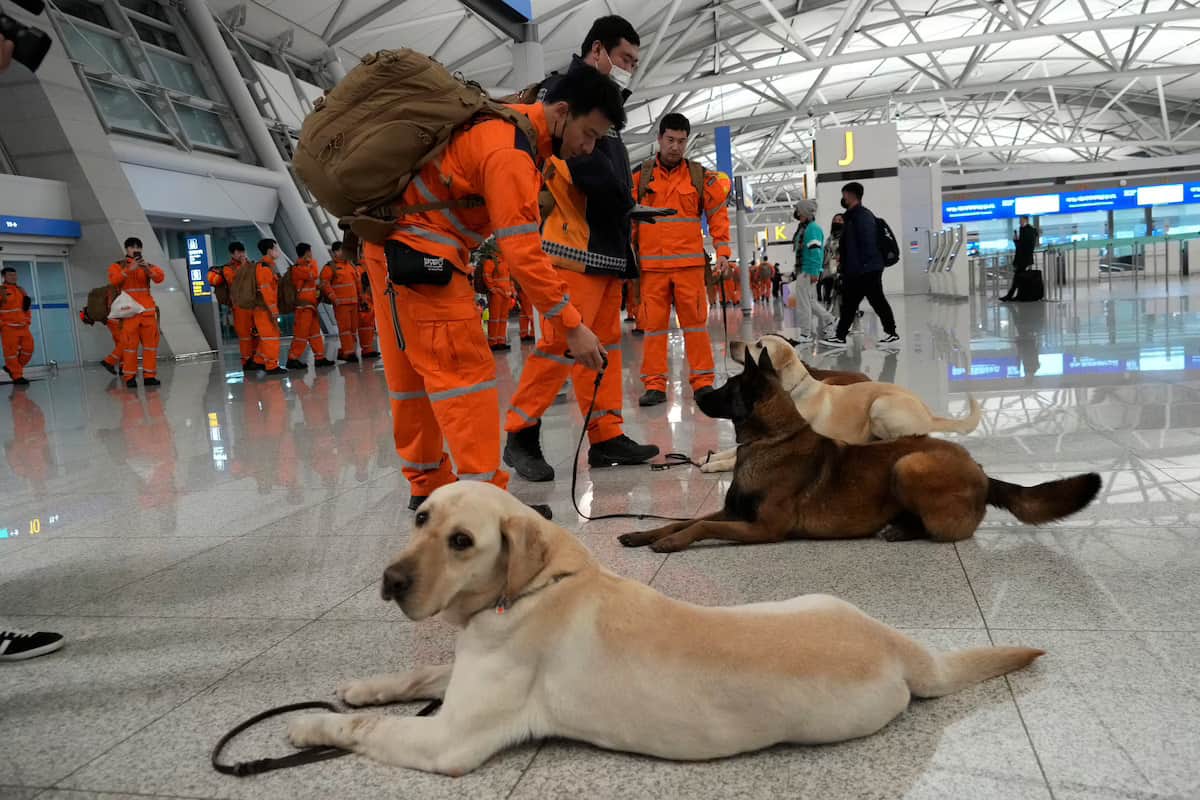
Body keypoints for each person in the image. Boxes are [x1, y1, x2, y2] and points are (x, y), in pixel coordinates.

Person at [358, 65, 618, 510]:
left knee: (412, 378)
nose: (588, 148)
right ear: (561, 112)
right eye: (589, 134)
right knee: (465, 375)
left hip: (388, 251)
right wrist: (571, 324)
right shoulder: (510, 151)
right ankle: (487, 504)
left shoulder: (503, 124)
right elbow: (523, 253)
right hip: (424, 256)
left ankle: (427, 484)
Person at [503, 15, 659, 481]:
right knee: (559, 345)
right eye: (624, 58)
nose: (629, 67)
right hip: (574, 245)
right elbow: (580, 165)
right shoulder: (565, 94)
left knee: (604, 346)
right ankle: (520, 433)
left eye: (634, 61)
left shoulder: (606, 105)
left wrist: (625, 204)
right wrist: (623, 197)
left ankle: (606, 435)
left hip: (606, 246)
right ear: (597, 51)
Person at [632, 112, 732, 407]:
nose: (675, 147)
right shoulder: (640, 178)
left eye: (681, 141)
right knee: (654, 329)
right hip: (653, 269)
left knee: (696, 327)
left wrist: (723, 252)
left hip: (689, 268)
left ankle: (703, 383)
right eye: (670, 140)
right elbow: (629, 222)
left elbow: (718, 216)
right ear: (659, 138)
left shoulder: (701, 177)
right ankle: (654, 386)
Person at [821, 182, 899, 348]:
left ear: (849, 195)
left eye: (844, 195)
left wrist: (860, 268)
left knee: (876, 301)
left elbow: (867, 244)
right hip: (859, 269)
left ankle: (891, 333)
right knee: (850, 304)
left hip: (865, 269)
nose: (843, 198)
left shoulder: (862, 216)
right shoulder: (852, 216)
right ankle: (841, 336)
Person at [108, 237, 165, 388]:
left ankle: (149, 376)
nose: (135, 250)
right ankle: (129, 377)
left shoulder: (148, 266)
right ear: (126, 249)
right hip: (129, 313)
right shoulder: (118, 266)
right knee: (130, 347)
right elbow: (114, 281)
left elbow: (160, 278)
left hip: (147, 312)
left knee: (150, 347)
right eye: (132, 247)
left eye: (138, 247)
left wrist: (147, 269)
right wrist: (128, 270)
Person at [207, 242, 261, 371]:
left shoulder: (252, 265)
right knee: (245, 335)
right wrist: (243, 266)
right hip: (240, 306)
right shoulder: (228, 268)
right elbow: (235, 281)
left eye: (243, 251)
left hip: (254, 304)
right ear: (232, 254)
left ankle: (257, 358)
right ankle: (247, 360)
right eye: (238, 252)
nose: (242, 254)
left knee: (256, 333)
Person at [790, 199, 835, 341]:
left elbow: (816, 252)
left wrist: (815, 271)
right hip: (804, 270)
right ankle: (829, 319)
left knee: (803, 302)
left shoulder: (812, 229)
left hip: (807, 270)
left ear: (804, 211)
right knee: (809, 301)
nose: (797, 213)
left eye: (799, 210)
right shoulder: (805, 228)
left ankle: (805, 333)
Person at [285, 243, 335, 369]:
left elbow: (313, 274)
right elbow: (313, 274)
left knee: (315, 333)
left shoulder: (305, 266)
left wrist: (310, 264)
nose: (312, 255)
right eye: (310, 252)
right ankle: (292, 358)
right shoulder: (297, 268)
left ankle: (320, 357)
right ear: (307, 253)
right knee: (301, 333)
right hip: (303, 307)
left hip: (311, 305)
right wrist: (310, 264)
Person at [320, 241, 363, 363]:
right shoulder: (330, 267)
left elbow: (357, 283)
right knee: (345, 329)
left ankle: (348, 351)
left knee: (353, 329)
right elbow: (324, 283)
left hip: (353, 302)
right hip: (341, 304)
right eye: (340, 250)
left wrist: (361, 298)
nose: (343, 253)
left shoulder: (351, 265)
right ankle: (348, 353)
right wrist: (334, 298)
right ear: (334, 252)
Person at [251, 238, 288, 376]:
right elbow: (267, 291)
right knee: (271, 337)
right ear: (269, 250)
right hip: (264, 310)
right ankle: (271, 365)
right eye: (276, 249)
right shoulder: (265, 268)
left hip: (263, 309)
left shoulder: (267, 266)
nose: (277, 252)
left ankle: (259, 360)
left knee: (268, 337)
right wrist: (274, 310)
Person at [0, 267, 34, 386]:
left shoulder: (21, 290)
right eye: (10, 275)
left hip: (23, 327)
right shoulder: (1, 291)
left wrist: (28, 320)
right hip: (8, 328)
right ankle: (17, 376)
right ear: (4, 277)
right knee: (11, 354)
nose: (13, 277)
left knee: (28, 349)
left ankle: (12, 368)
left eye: (15, 275)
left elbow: (26, 308)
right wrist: (2, 325)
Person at [1000, 215, 1039, 302]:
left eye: (1021, 220)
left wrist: (1016, 241)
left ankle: (1011, 295)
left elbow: (1024, 246)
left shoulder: (1028, 231)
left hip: (1024, 259)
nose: (1020, 222)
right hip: (1022, 258)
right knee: (1018, 277)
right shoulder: (1026, 230)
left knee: (1017, 277)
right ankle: (1017, 295)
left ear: (1026, 220)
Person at [482, 250, 514, 351]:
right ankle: (493, 342)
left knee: (503, 318)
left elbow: (509, 278)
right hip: (497, 294)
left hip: (505, 294)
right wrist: (493, 289)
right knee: (495, 318)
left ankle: (501, 341)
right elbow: (486, 276)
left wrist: (511, 290)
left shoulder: (506, 260)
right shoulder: (492, 260)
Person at [352, 245, 380, 359]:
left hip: (367, 296)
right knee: (366, 323)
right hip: (365, 297)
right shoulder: (363, 267)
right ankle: (366, 349)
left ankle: (367, 348)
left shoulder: (358, 267)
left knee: (368, 324)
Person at [819, 214, 844, 306]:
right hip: (828, 273)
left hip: (842, 272)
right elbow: (825, 255)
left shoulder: (847, 237)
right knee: (828, 298)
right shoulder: (829, 239)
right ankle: (831, 318)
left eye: (840, 220)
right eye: (835, 220)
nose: (837, 222)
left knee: (844, 298)